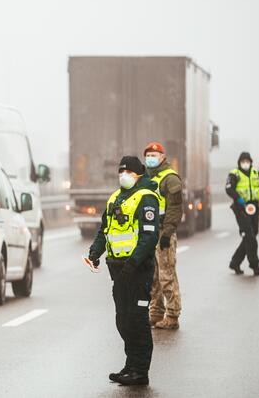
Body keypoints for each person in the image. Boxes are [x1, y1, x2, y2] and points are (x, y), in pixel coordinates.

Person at [86, 156, 160, 386]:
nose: (123, 175)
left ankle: (140, 371)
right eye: (121, 171)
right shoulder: (116, 197)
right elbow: (104, 231)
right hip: (118, 270)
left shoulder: (147, 198)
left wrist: (133, 264)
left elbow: (149, 237)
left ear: (138, 174)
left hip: (138, 270)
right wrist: (94, 253)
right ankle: (130, 366)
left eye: (127, 171)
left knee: (137, 320)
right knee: (123, 320)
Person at [143, 142, 183, 330]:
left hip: (163, 232)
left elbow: (175, 208)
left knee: (166, 275)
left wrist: (167, 233)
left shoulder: (170, 178)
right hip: (149, 233)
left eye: (154, 154)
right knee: (152, 275)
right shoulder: (145, 178)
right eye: (148, 154)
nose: (150, 157)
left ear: (162, 157)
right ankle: (156, 312)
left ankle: (172, 315)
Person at [226, 152, 259, 275]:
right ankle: (255, 266)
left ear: (251, 162)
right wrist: (238, 198)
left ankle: (235, 263)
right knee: (250, 236)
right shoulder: (234, 174)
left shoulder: (256, 173)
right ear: (239, 162)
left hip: (254, 206)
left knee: (253, 233)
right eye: (243, 161)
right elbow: (228, 188)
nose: (245, 163)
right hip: (241, 207)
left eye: (247, 161)